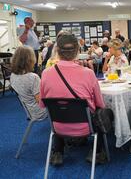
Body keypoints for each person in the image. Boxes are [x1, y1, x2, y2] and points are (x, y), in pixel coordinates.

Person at [40, 33, 106, 166]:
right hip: (85, 126)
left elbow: (42, 103)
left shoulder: (45, 73)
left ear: (57, 51)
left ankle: (58, 151)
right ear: (77, 51)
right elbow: (99, 103)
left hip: (57, 126)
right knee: (105, 113)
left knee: (59, 109)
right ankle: (97, 152)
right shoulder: (88, 73)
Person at [10, 46, 48, 120]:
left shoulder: (13, 75)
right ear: (29, 60)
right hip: (41, 112)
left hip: (29, 111)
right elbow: (40, 101)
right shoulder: (33, 77)